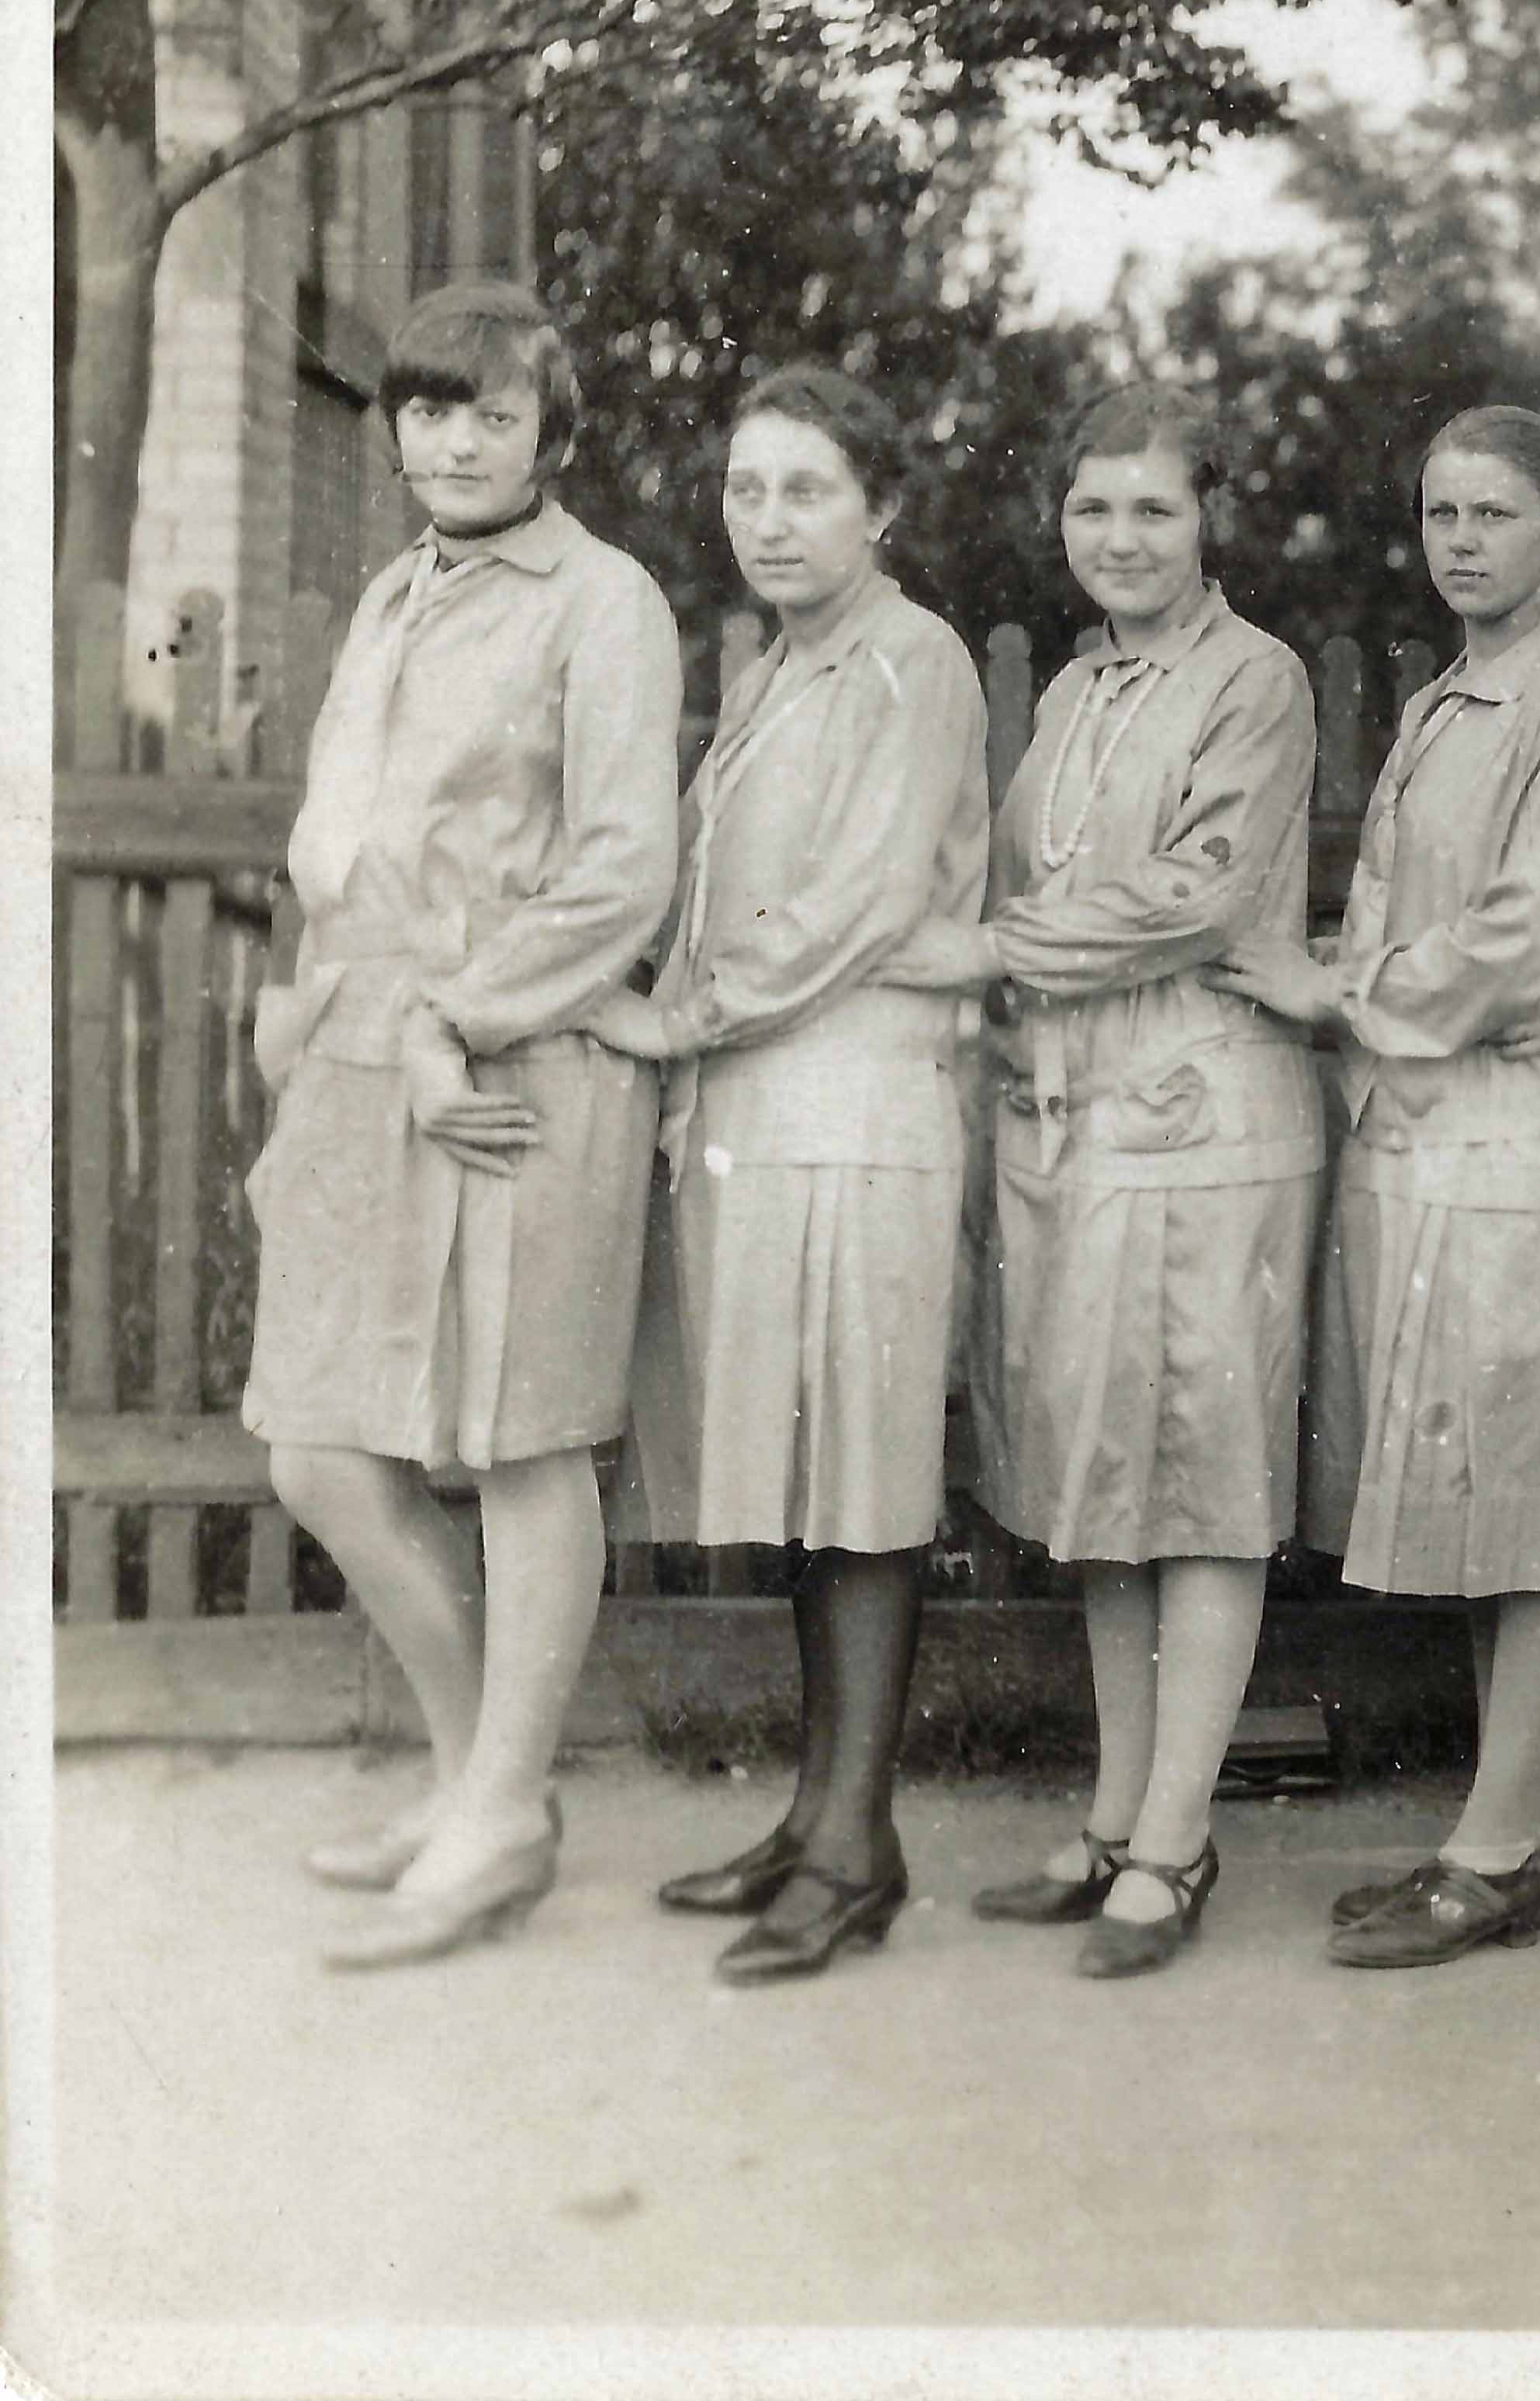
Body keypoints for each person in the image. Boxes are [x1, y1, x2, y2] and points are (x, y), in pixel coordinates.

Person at [244, 282, 681, 1968]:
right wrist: (314, 1009)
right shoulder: (390, 595)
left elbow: (621, 870)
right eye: (431, 408)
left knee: (518, 1433)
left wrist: (459, 1018)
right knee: (319, 1442)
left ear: (552, 435)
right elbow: (343, 840)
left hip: (518, 1058)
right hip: (367, 1045)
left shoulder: (605, 603)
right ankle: (468, 1774)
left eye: (493, 412)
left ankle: (499, 1804)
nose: (455, 438)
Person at [889, 381, 1328, 1979]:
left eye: (1153, 508)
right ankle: (1115, 1815)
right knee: (1103, 1486)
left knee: (1196, 1475)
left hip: (1203, 1121)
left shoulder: (1255, 680)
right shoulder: (1076, 694)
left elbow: (1197, 897)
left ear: (1210, 521)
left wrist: (995, 948)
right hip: (1078, 1128)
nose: (1121, 538)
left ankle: (1179, 1835)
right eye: (1093, 509)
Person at [1212, 408, 1540, 1970]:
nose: (1461, 539)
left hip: (1529, 1145)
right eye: (1439, 512)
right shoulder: (1448, 698)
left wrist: (1337, 990)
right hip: (1440, 1147)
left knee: (1534, 1506)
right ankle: (1506, 1830)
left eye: (1494, 513)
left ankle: (1498, 1843)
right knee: (1484, 1496)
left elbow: (1520, 943)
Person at [599, 368, 991, 1984]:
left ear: (880, 508)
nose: (768, 519)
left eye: (806, 489)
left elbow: (853, 906)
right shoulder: (773, 663)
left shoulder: (915, 660)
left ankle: (852, 1841)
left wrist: (674, 1015)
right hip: (768, 1114)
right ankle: (820, 1816)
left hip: (860, 1116)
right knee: (803, 1482)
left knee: (865, 1482)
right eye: (748, 490)